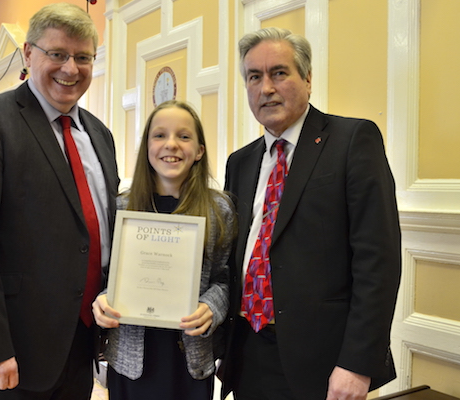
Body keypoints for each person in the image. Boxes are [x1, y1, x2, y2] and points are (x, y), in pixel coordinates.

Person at [0, 3, 119, 399]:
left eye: (83, 57)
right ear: (28, 53)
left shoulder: (101, 136)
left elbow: (99, 232)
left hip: (79, 343)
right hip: (9, 353)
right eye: (57, 54)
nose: (70, 68)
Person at [218, 27, 401, 400]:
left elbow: (377, 262)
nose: (266, 87)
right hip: (248, 354)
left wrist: (356, 363)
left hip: (324, 364)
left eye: (279, 73)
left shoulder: (352, 141)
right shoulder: (240, 162)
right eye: (254, 77)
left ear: (308, 79)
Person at [92, 100, 235, 400]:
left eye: (184, 136)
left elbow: (226, 279)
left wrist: (212, 306)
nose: (171, 144)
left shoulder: (219, 209)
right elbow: (104, 277)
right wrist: (103, 300)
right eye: (159, 135)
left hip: (190, 359)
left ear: (199, 150)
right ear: (146, 147)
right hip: (132, 361)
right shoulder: (120, 207)